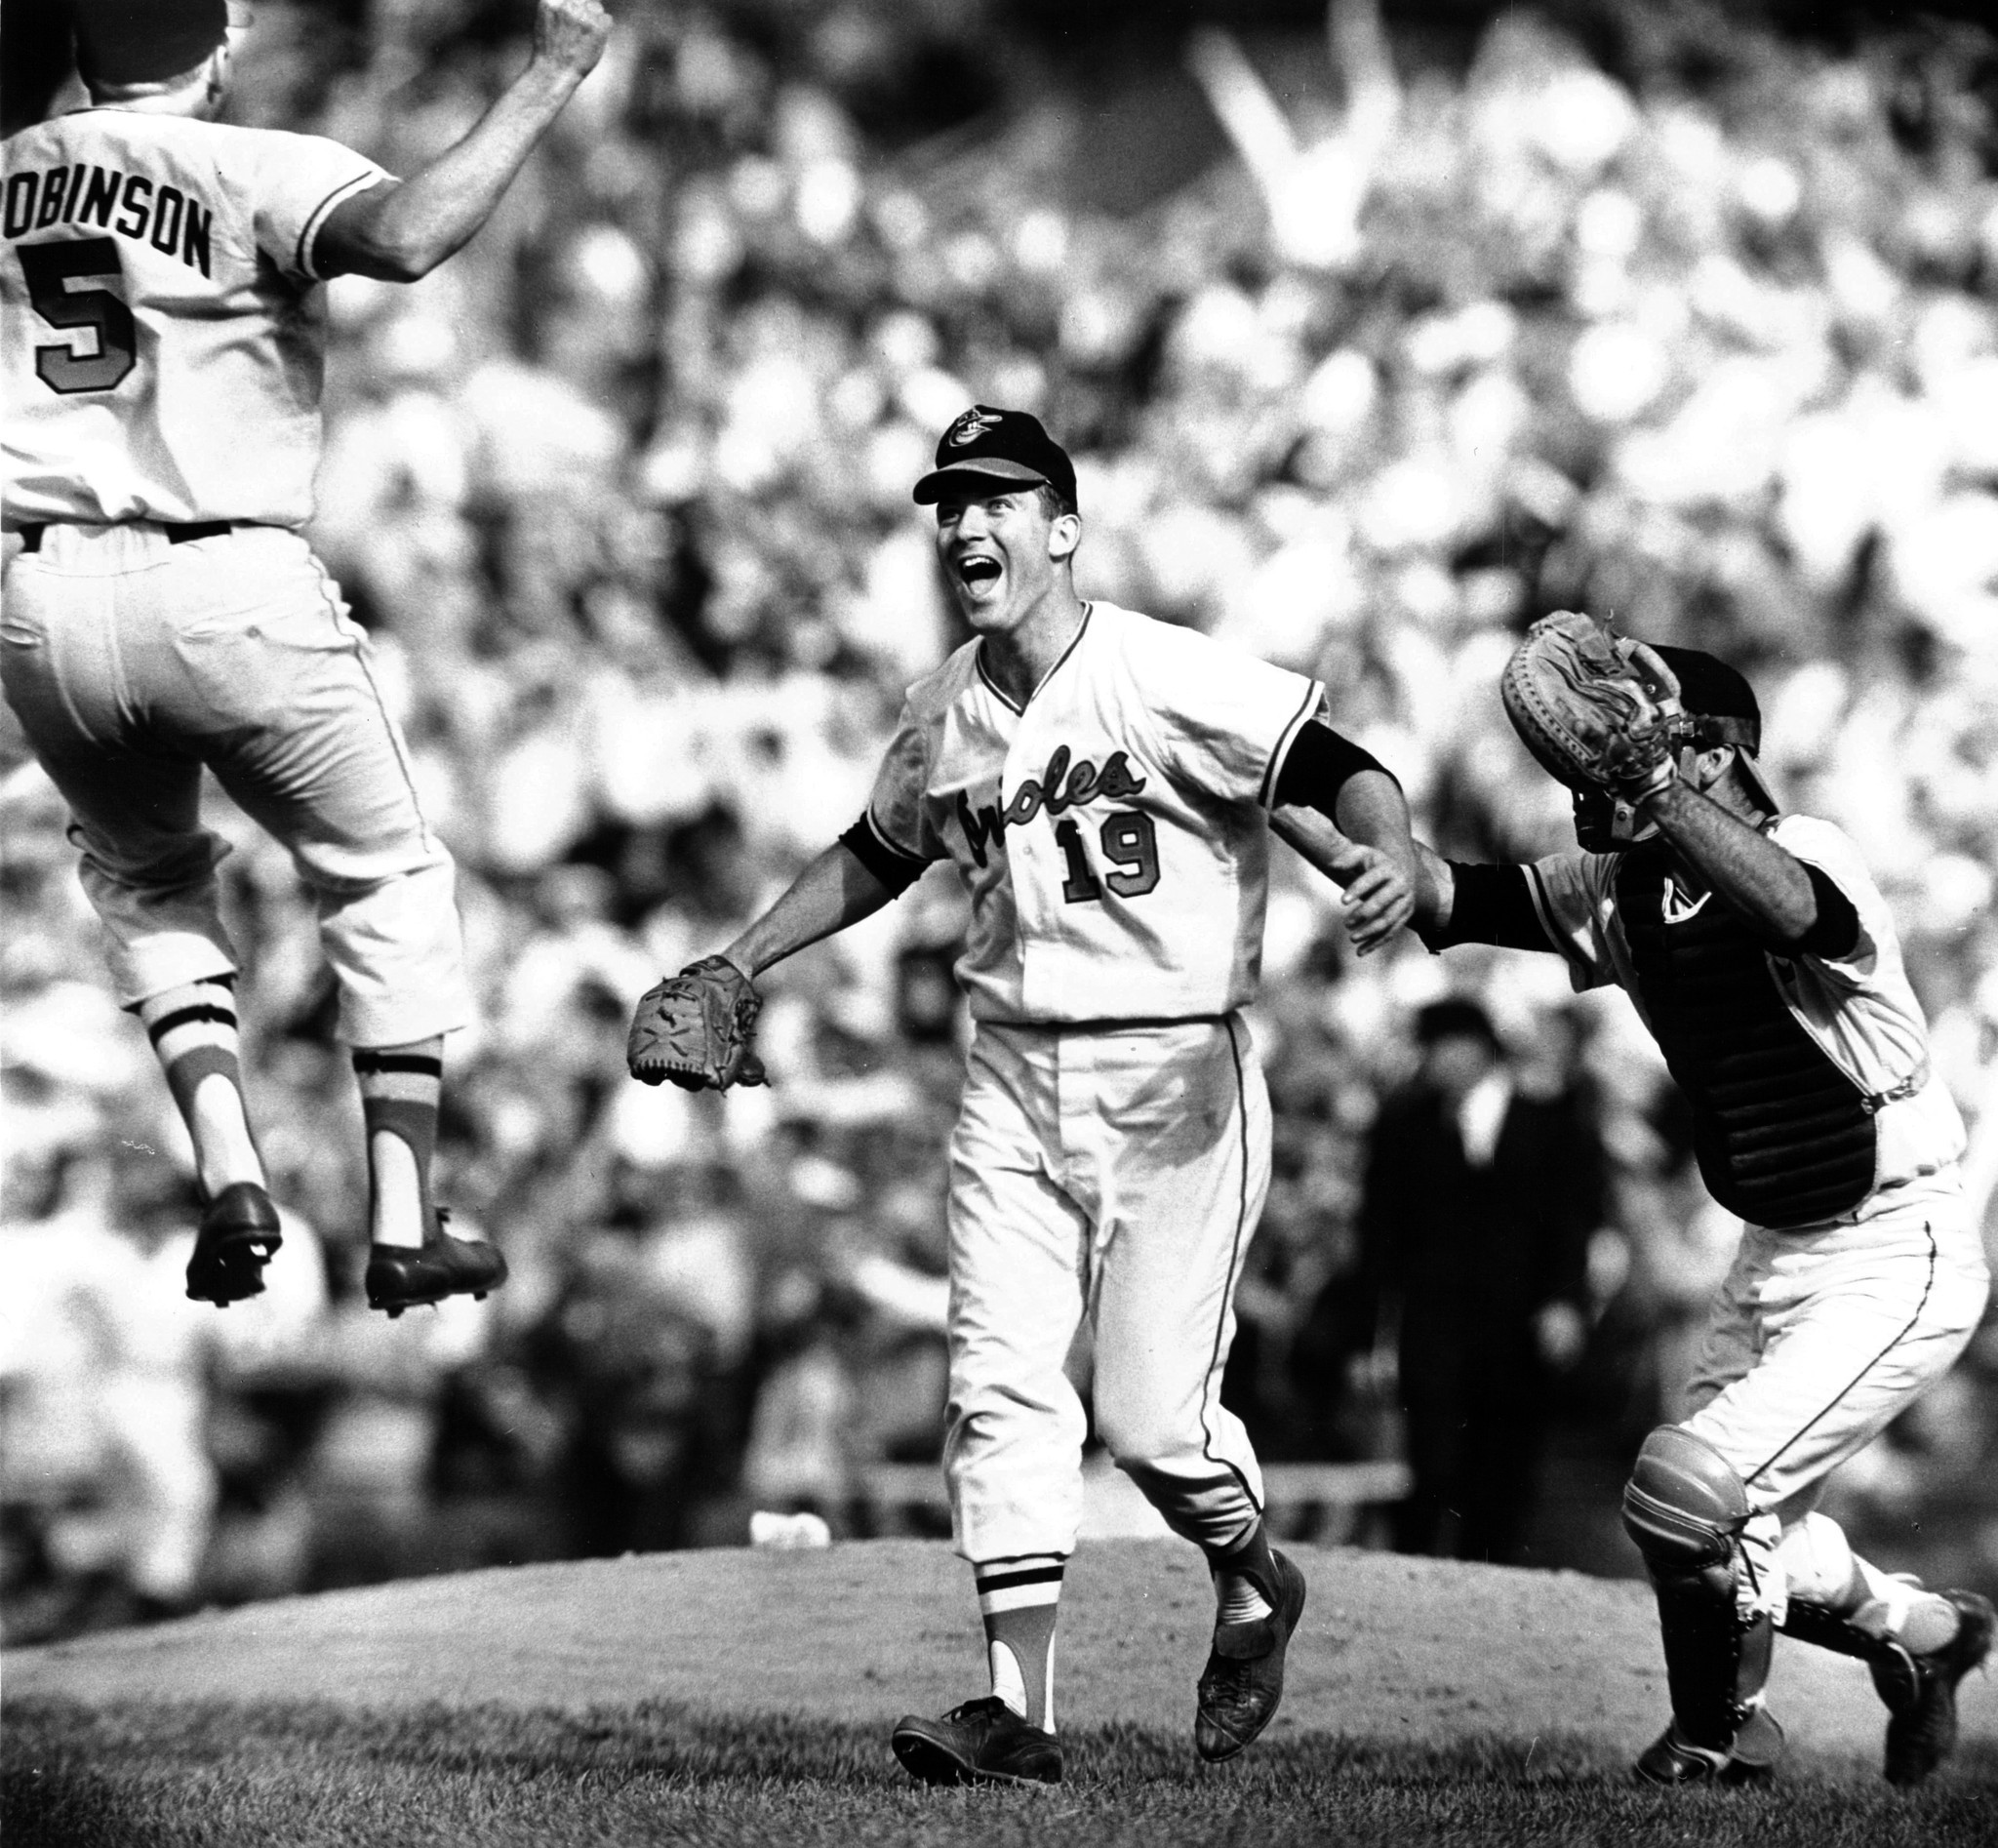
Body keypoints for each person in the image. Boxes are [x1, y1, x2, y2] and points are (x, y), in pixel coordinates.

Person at [628, 405, 1420, 1787]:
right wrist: (741, 955)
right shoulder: (946, 701)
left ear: (1063, 525)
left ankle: (1252, 1576)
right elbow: (881, 848)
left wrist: (1392, 848)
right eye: (949, 502)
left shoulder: (1161, 670)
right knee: (998, 1386)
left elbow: (1337, 766)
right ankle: (1016, 1708)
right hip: (1012, 1071)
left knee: (1158, 1423)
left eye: (997, 498)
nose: (965, 523)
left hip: (1181, 1071)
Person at [1, 0, 611, 1313]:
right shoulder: (251, 159)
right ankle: (402, 1215)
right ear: (211, 53)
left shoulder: (6, 170)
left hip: (40, 591)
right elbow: (406, 235)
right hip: (227, 573)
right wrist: (552, 75)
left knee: (141, 875)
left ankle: (231, 1170)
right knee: (386, 874)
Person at [1408, 642, 1993, 1787]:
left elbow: (1795, 917)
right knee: (1721, 1530)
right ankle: (1927, 1634)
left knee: (1687, 1489)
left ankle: (1717, 1741)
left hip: (1897, 1242)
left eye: (1640, 737)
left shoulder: (1802, 843)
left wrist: (1664, 788)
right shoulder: (1619, 886)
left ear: (1712, 751)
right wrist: (1295, 795)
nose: (1599, 763)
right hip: (1774, 1246)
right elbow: (1449, 892)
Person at [1353, 995, 1600, 1565]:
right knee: (1434, 1455)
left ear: (1479, 1047)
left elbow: (1575, 1220)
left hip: (1519, 1320)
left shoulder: (1551, 1120)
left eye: (1446, 1045)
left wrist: (1566, 1302)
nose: (1436, 1061)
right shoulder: (1404, 1124)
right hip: (1433, 1319)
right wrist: (1369, 1334)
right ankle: (1425, 1579)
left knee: (1506, 1457)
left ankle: (1493, 1576)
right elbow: (1379, 1234)